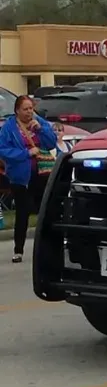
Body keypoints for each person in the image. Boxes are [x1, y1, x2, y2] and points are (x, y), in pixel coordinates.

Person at [0, 95, 56, 263]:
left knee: (46, 212)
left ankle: (48, 248)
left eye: (31, 108)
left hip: (43, 173)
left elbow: (51, 143)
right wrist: (26, 153)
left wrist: (41, 129)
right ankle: (19, 250)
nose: (29, 112)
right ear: (17, 110)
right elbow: (3, 150)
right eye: (25, 109)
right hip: (21, 177)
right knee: (22, 213)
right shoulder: (9, 128)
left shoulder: (39, 122)